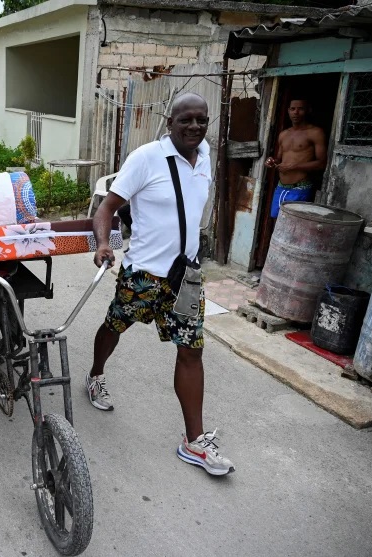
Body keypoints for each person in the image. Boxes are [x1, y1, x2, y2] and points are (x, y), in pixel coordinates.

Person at [88, 93, 235, 476]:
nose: (194, 127)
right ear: (170, 121)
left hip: (185, 279)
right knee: (113, 326)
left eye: (201, 120)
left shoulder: (204, 159)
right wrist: (104, 243)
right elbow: (106, 207)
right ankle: (96, 374)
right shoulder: (145, 158)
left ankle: (194, 441)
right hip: (142, 276)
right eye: (186, 120)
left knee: (191, 351)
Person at [265, 97, 327, 218]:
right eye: (292, 109)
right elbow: (279, 158)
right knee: (276, 218)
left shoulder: (315, 133)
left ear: (308, 110)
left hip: (300, 187)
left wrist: (294, 166)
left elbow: (322, 163)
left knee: (294, 224)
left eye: (300, 109)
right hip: (281, 187)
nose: (296, 112)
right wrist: (271, 161)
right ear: (288, 110)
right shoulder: (283, 134)